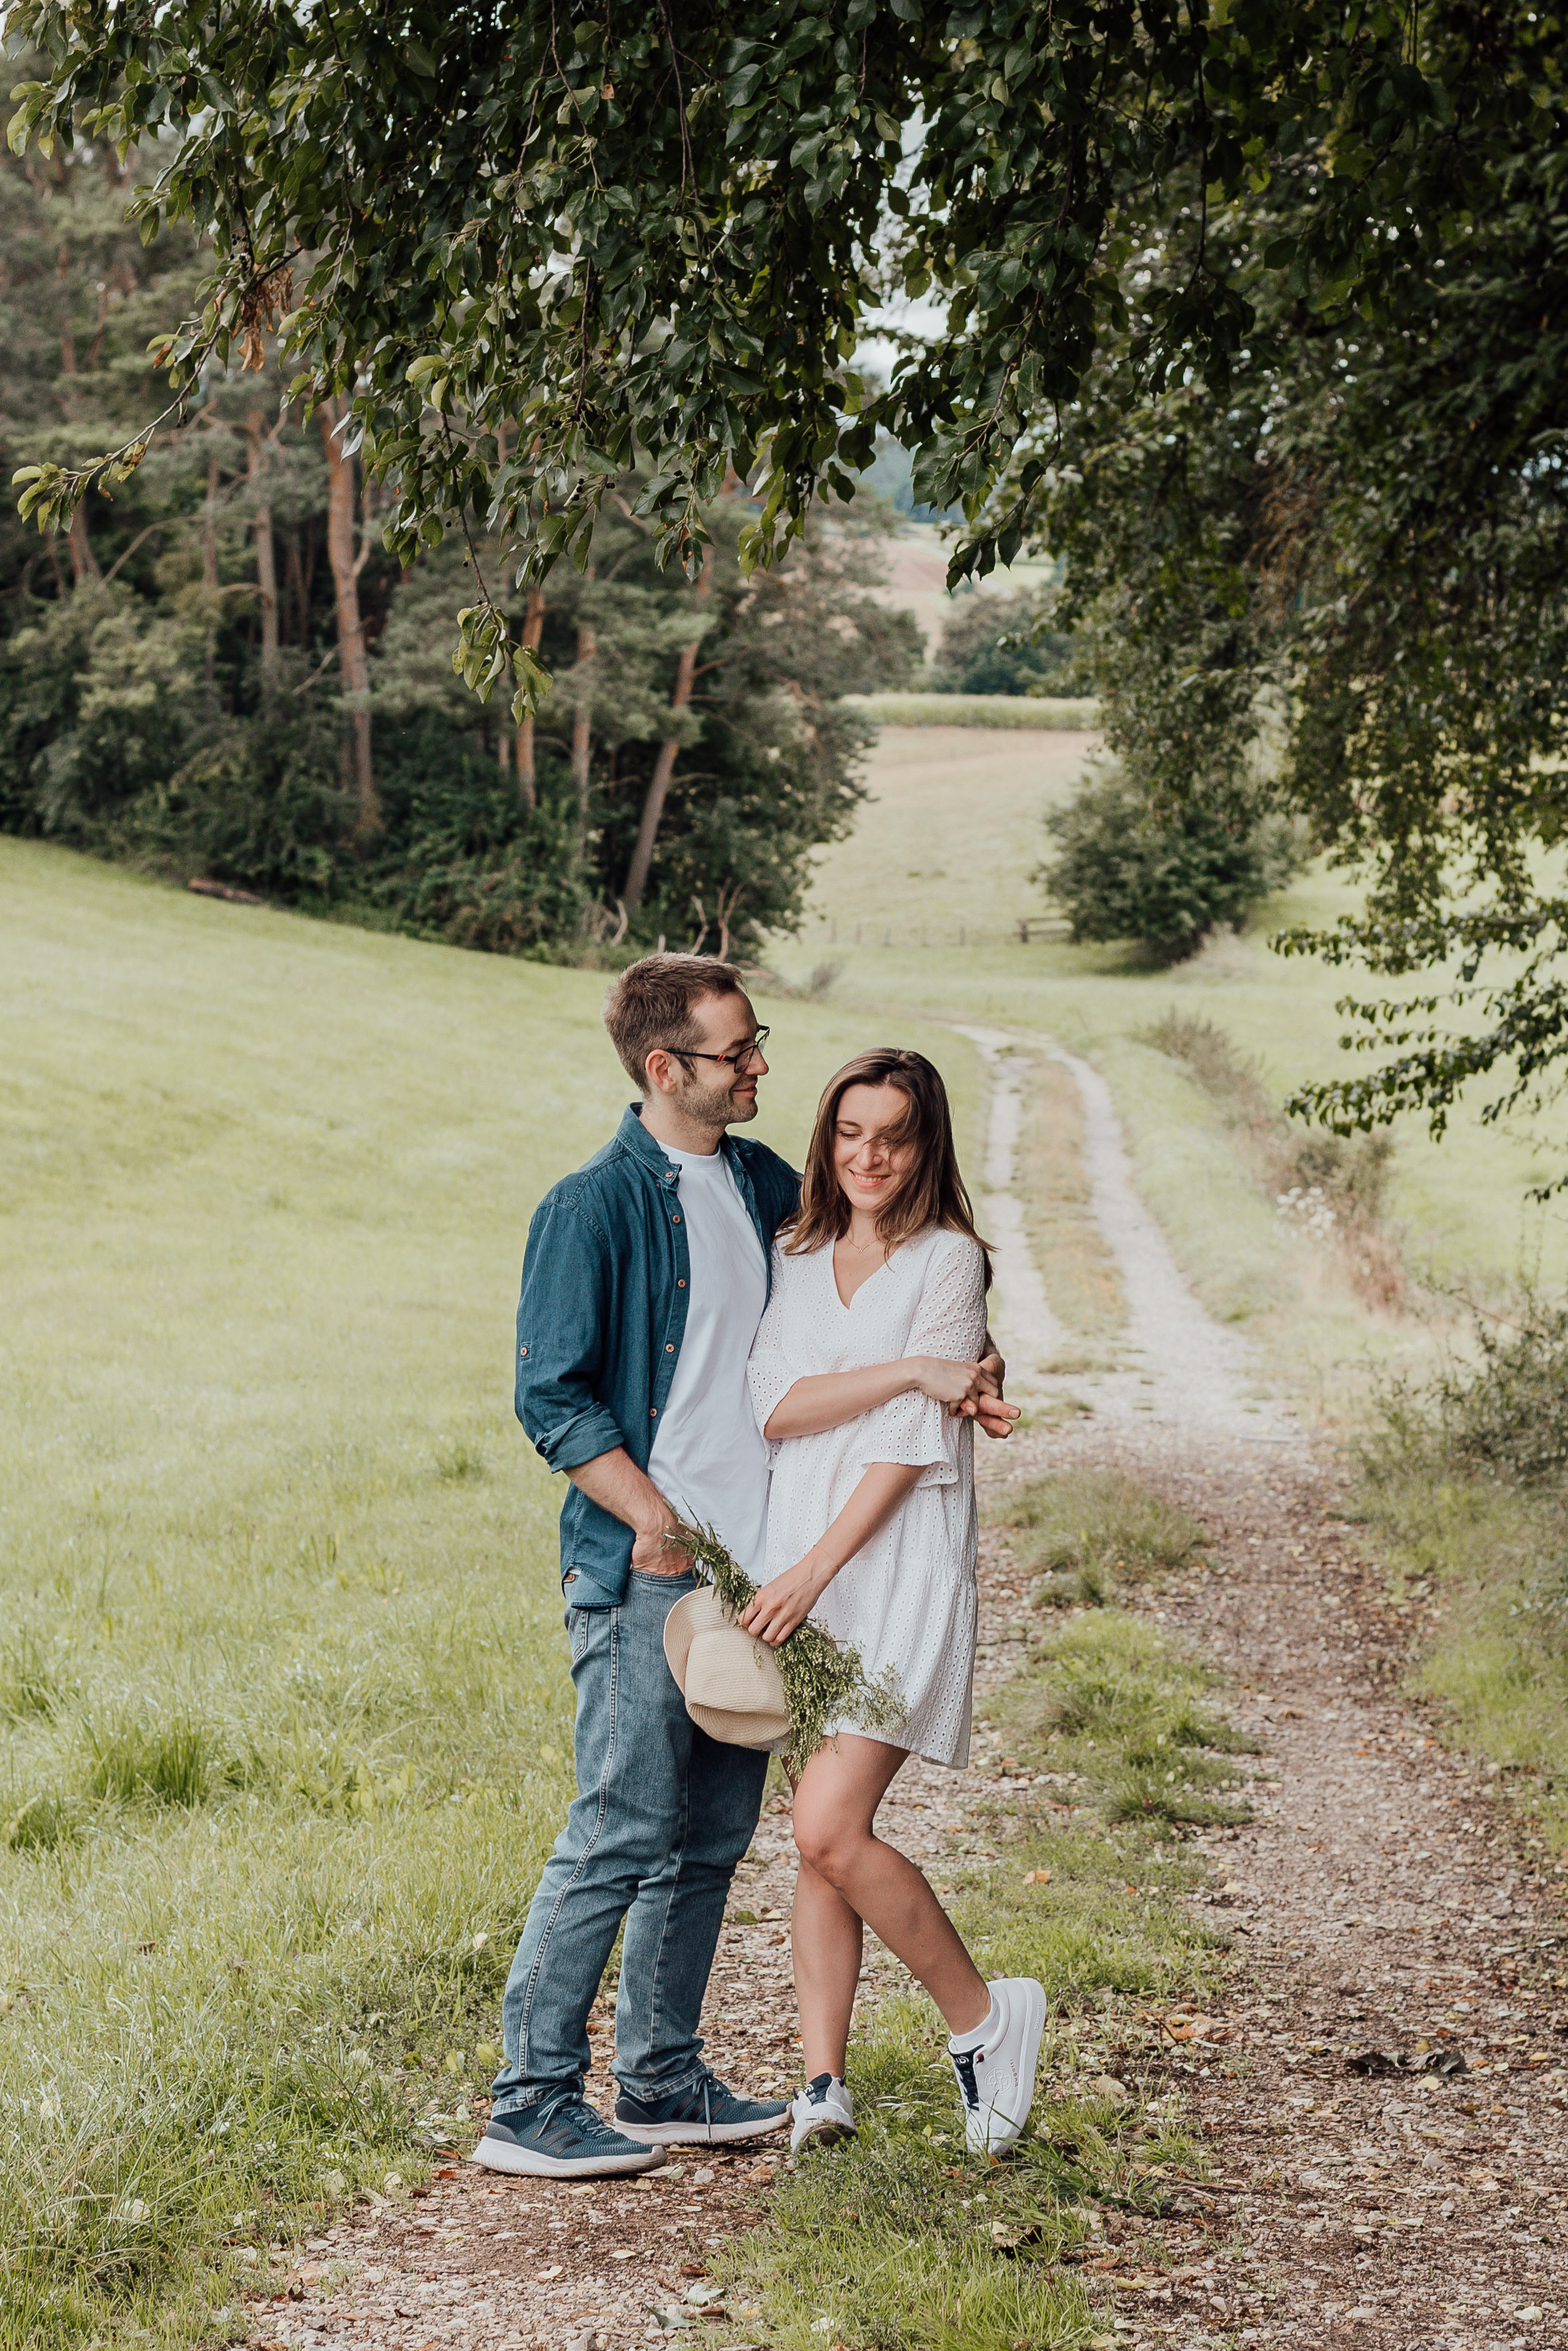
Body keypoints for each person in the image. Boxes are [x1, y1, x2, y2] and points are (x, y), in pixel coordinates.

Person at [475, 960, 1013, 2179]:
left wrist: (967, 1362)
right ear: (668, 1069)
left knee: (713, 1834)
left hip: (761, 1569)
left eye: (759, 1044)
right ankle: (530, 2096)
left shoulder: (772, 1186)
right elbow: (548, 1398)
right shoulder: (594, 1206)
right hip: (650, 1563)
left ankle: (661, 2075)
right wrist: (652, 1515)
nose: (763, 1066)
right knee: (621, 1824)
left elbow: (891, 1288)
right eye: (739, 1052)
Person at [741, 1048, 1045, 2159]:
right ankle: (823, 2081)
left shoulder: (950, 1260)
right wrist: (912, 1370)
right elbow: (773, 1403)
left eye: (894, 1135)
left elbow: (917, 1448)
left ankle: (985, 2018)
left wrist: (819, 1566)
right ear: (828, 1137)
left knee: (828, 1822)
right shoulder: (800, 1247)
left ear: (928, 1145)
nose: (868, 1155)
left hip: (890, 1564)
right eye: (849, 1132)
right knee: (821, 1839)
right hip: (796, 1563)